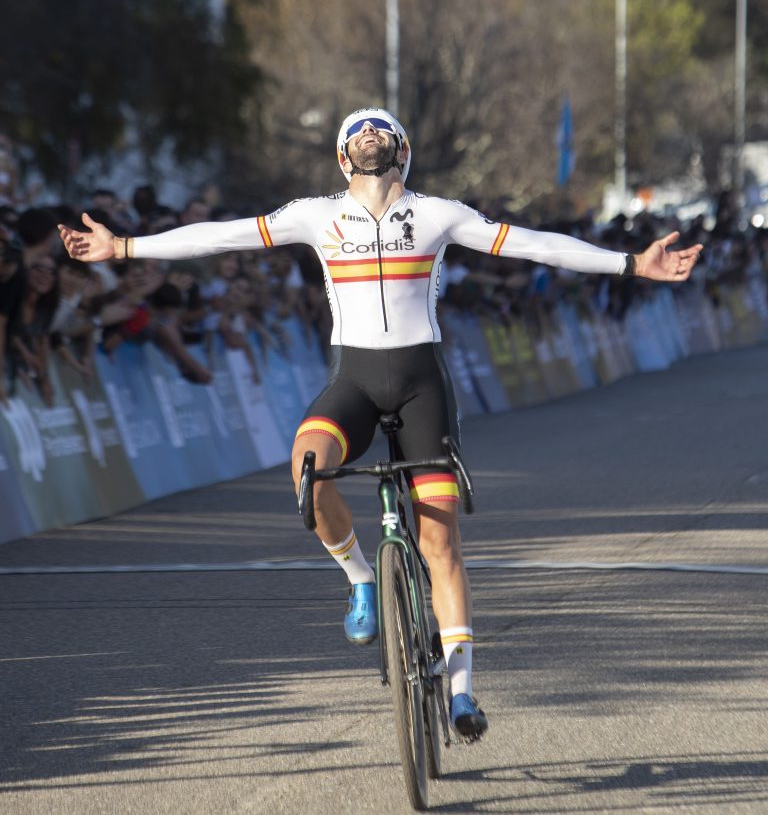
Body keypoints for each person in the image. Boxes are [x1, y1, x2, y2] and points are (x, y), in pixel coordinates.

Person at [58, 107, 703, 740]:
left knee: (440, 543)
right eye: (356, 129)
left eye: (380, 127)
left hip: (423, 385)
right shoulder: (315, 214)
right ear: (343, 158)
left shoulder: (438, 214)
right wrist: (123, 247)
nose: (369, 133)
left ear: (403, 150)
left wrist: (631, 263)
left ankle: (461, 691)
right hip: (355, 381)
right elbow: (219, 235)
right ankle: (362, 580)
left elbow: (536, 245)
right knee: (308, 469)